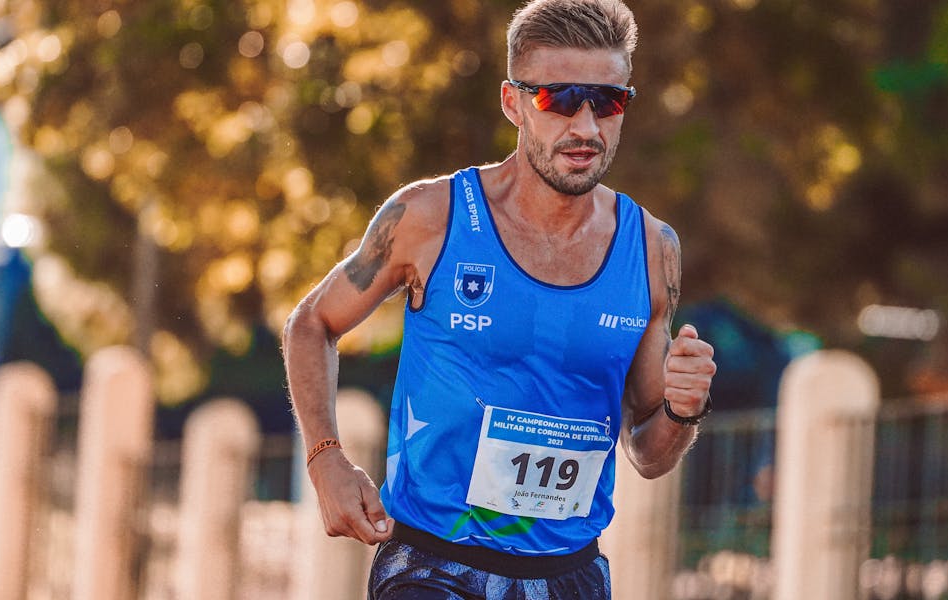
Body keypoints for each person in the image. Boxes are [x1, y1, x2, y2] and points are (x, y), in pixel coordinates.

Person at [282, 0, 716, 597]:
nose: (586, 127)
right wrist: (325, 457)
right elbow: (312, 323)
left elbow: (647, 452)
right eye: (558, 99)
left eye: (608, 102)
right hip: (433, 566)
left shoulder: (650, 249)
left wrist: (682, 411)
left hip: (571, 574)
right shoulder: (430, 217)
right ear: (513, 102)